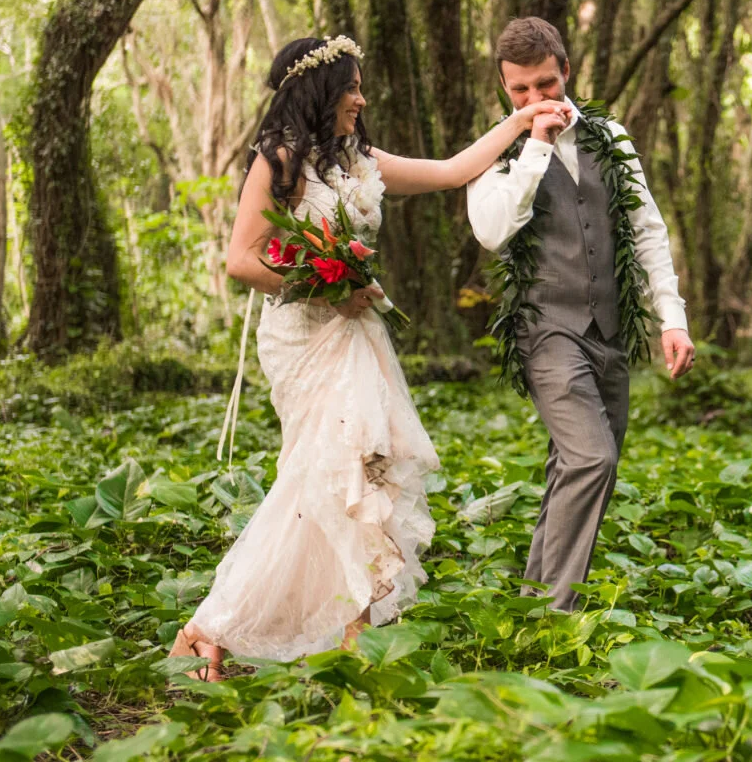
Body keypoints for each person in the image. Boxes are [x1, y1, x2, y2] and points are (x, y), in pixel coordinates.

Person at [168, 36, 571, 679]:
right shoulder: (279, 159)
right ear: (320, 90)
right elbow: (243, 259)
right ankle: (210, 626)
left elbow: (450, 170)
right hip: (302, 336)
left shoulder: (360, 162)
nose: (361, 97)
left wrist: (523, 120)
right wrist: (326, 283)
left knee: (353, 475)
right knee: (322, 477)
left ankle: (348, 626)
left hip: (355, 335)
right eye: (352, 85)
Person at [468, 17, 695, 612]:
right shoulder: (498, 147)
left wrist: (672, 318)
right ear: (504, 87)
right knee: (592, 458)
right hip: (546, 331)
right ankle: (557, 613)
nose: (534, 100)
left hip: (612, 331)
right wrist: (535, 144)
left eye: (544, 85)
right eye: (519, 91)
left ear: (566, 71)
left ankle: (533, 601)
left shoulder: (610, 136)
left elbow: (646, 230)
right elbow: (492, 233)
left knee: (580, 465)